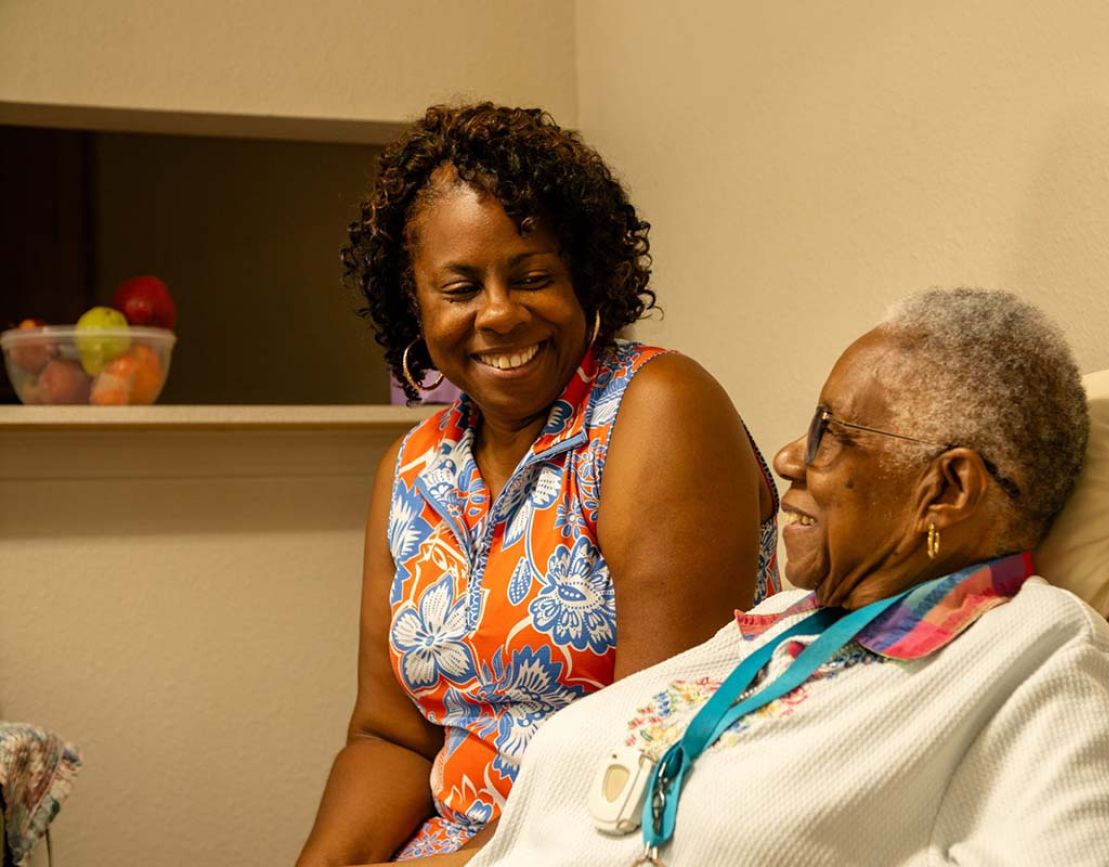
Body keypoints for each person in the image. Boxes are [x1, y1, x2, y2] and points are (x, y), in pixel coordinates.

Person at [464, 288, 1109, 866]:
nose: (791, 456)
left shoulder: (1041, 647)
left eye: (832, 433)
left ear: (946, 489)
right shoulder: (791, 618)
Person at [295, 104, 780, 866]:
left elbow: (650, 738)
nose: (499, 313)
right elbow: (392, 735)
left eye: (531, 277)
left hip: (623, 839)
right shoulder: (411, 472)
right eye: (459, 288)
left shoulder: (655, 408)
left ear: (586, 277)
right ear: (414, 305)